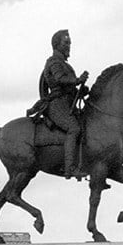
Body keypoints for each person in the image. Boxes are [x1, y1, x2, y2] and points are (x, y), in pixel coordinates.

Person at [39, 29, 89, 180]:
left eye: (69, 43)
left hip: (68, 104)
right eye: (66, 43)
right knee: (74, 128)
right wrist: (77, 80)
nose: (69, 46)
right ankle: (69, 168)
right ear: (56, 45)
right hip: (57, 105)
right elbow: (60, 79)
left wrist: (81, 90)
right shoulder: (53, 62)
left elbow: (69, 88)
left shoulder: (65, 64)